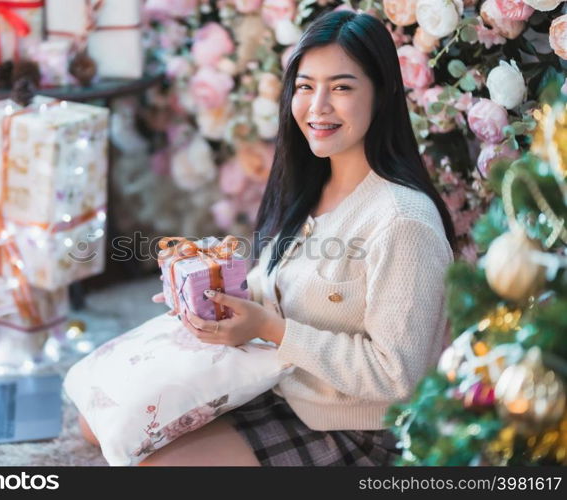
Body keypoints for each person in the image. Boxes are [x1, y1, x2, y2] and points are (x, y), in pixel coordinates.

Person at [79, 9, 456, 466]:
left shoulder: (403, 221)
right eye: (305, 86)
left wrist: (270, 329)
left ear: (382, 94)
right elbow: (274, 288)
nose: (317, 107)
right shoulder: (313, 186)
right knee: (98, 420)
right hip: (278, 384)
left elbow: (399, 376)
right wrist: (207, 292)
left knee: (149, 466)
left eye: (341, 87)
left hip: (356, 427)